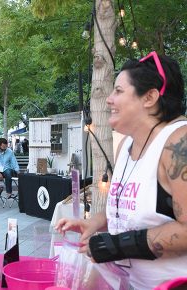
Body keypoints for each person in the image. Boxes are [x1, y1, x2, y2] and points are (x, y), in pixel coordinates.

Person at [55, 52, 187, 289]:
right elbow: (133, 209)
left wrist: (115, 245)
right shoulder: (125, 145)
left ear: (149, 97)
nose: (109, 99)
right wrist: (95, 223)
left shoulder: (179, 142)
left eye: (118, 90)